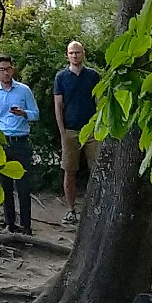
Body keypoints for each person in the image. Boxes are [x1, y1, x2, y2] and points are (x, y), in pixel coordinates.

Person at [0, 56, 39, 235]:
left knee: (24, 186)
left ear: (13, 70)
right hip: (3, 142)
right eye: (2, 69)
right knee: (5, 185)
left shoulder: (24, 91)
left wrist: (24, 113)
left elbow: (36, 114)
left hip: (21, 142)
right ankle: (10, 223)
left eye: (8, 68)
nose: (6, 72)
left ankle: (26, 225)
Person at [53, 40, 102, 225]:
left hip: (91, 131)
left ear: (84, 53)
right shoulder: (61, 77)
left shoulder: (93, 76)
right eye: (71, 53)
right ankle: (71, 210)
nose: (75, 56)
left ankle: (95, 208)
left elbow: (99, 102)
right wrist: (62, 131)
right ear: (67, 55)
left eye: (77, 52)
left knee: (96, 171)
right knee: (69, 171)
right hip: (70, 130)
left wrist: (99, 127)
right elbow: (58, 105)